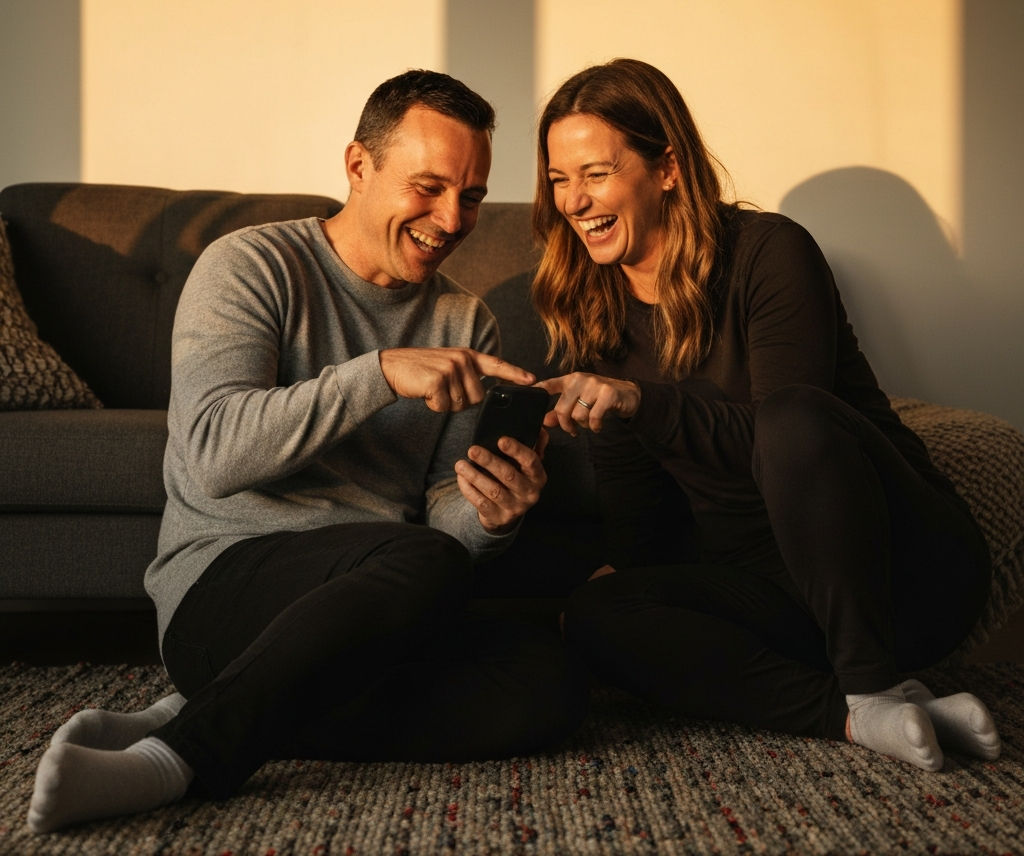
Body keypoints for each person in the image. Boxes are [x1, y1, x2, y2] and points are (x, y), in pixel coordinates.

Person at [28, 70, 586, 834]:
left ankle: (205, 706)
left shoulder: (464, 321)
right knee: (422, 561)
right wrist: (379, 374)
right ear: (358, 165)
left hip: (370, 609)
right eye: (428, 187)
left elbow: (443, 522)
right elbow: (215, 453)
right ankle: (179, 759)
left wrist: (491, 515)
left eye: (472, 196)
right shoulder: (249, 265)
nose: (452, 218)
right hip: (225, 590)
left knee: (551, 682)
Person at [533, 58, 999, 771]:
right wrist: (626, 582)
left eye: (595, 173)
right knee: (596, 615)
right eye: (559, 179)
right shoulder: (595, 306)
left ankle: (872, 682)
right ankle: (860, 716)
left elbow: (785, 440)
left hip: (898, 574)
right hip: (779, 597)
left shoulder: (769, 251)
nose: (573, 200)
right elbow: (637, 502)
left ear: (668, 168)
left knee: (791, 418)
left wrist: (641, 400)